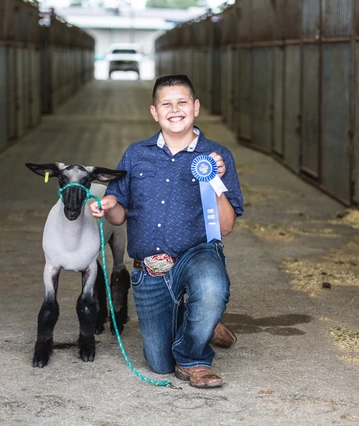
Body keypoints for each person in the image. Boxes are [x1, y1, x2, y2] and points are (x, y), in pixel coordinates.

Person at [90, 75, 244, 388]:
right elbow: (119, 216)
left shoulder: (216, 156)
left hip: (197, 254)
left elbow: (225, 226)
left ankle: (194, 358)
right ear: (155, 112)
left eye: (183, 102)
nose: (175, 109)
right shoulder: (136, 154)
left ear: (196, 107)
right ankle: (200, 319)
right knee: (160, 363)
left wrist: (215, 181)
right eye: (166, 104)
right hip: (151, 267)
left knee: (212, 285)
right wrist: (107, 204)